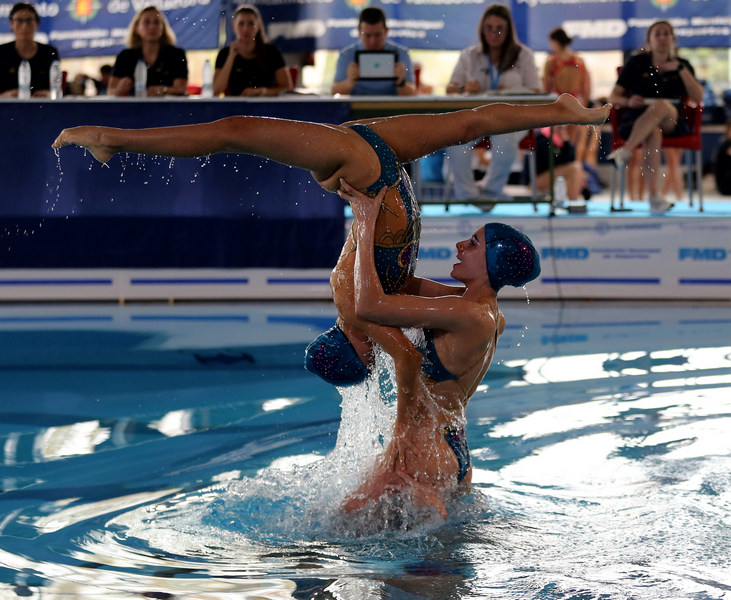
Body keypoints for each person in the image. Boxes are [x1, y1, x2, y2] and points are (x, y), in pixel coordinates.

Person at [52, 95, 609, 398]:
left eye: (370, 358)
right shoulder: (361, 306)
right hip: (377, 175)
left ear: (358, 350)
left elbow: (409, 357)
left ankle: (113, 139)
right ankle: (563, 110)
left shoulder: (359, 306)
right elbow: (434, 320)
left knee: (235, 131)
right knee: (470, 121)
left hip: (372, 179)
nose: (380, 356)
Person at [338, 179, 539, 519]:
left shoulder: (467, 315)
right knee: (429, 565)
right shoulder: (482, 312)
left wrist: (365, 220)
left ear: (493, 264)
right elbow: (399, 285)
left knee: (338, 529)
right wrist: (384, 229)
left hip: (422, 448)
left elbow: (369, 304)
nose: (461, 245)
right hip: (452, 449)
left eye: (474, 244)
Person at [443, 4, 541, 204]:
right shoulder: (469, 56)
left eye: (499, 28)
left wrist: (510, 91)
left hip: (511, 118)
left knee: (505, 139)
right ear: (482, 28)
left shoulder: (524, 56)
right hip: (475, 116)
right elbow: (450, 89)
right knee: (454, 140)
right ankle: (467, 195)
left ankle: (491, 191)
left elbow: (537, 91)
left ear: (508, 31)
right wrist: (464, 88)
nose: (494, 33)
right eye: (489, 27)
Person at [608, 20, 704, 215]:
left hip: (673, 119)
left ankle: (625, 151)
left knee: (660, 105)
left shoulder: (683, 66)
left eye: (666, 33)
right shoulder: (636, 63)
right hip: (638, 117)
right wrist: (628, 101)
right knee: (653, 132)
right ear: (649, 40)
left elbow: (699, 97)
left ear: (673, 39)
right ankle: (654, 198)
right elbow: (613, 96)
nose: (662, 37)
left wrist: (679, 69)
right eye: (657, 34)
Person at [331, 7, 416, 97]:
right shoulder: (346, 55)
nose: (373, 41)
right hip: (356, 108)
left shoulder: (402, 54)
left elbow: (411, 93)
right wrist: (349, 82)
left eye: (377, 35)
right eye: (367, 35)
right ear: (359, 33)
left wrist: (400, 82)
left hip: (393, 108)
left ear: (386, 31)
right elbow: (335, 91)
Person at [213, 4, 293, 97]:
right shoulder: (225, 53)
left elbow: (287, 88)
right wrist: (231, 57)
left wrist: (260, 92)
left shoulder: (271, 51)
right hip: (235, 108)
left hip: (265, 106)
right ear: (234, 26)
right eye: (241, 24)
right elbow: (216, 91)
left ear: (258, 26)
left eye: (251, 23)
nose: (246, 29)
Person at [109, 6, 188, 97]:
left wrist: (163, 90)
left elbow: (181, 88)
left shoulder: (176, 54)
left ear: (163, 28)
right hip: (133, 109)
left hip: (167, 108)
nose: (152, 26)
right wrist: (119, 90)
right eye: (147, 22)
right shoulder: (125, 56)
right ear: (136, 28)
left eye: (157, 22)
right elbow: (110, 91)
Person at [0, 2, 59, 98]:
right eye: (19, 20)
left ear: (37, 23)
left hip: (43, 109)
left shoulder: (49, 52)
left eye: (29, 20)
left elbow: (57, 87)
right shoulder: (1, 53)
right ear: (11, 23)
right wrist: (4, 96)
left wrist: (50, 94)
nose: (24, 26)